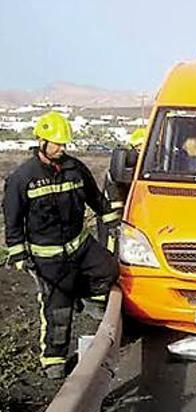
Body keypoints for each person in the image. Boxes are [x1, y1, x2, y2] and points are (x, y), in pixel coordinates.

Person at [3, 112, 120, 379]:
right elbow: (12, 219)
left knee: (108, 270)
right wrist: (18, 253)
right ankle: (53, 360)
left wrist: (111, 219)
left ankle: (87, 299)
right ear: (41, 141)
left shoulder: (75, 169)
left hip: (79, 246)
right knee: (58, 308)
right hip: (49, 258)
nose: (62, 148)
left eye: (65, 144)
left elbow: (94, 197)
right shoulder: (23, 178)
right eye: (57, 144)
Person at [99, 127, 145, 254]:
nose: (142, 156)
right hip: (116, 223)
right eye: (139, 150)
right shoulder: (118, 174)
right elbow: (114, 206)